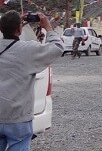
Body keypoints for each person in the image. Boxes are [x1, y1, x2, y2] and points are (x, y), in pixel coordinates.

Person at [0, 11, 64, 150]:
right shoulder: (28, 50)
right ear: (20, 29)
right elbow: (58, 47)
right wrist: (48, 28)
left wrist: (15, 25)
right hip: (18, 117)